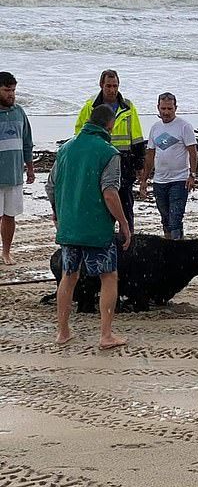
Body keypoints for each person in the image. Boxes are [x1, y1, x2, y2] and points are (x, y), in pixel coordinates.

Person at [46, 104, 131, 349]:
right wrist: (123, 223)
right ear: (110, 124)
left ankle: (63, 332)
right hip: (96, 227)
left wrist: (57, 212)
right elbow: (110, 193)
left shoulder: (65, 149)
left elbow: (51, 186)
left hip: (69, 224)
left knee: (69, 276)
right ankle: (106, 335)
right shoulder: (109, 152)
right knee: (108, 275)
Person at [75, 70, 145, 232]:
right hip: (98, 161)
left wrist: (139, 163)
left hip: (124, 162)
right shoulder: (90, 106)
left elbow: (137, 136)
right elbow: (79, 133)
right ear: (101, 85)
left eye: (115, 86)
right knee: (100, 205)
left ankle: (127, 239)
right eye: (108, 86)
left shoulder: (128, 106)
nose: (112, 90)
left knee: (126, 205)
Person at [140, 92, 197, 239]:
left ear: (175, 108)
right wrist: (144, 179)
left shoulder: (184, 126)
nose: (166, 112)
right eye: (163, 109)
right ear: (158, 108)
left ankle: (177, 248)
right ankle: (169, 247)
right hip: (160, 181)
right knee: (165, 220)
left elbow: (193, 153)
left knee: (175, 219)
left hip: (179, 180)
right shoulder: (155, 128)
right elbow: (150, 154)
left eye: (169, 109)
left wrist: (192, 175)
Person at [0, 72, 35, 265]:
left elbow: (27, 142)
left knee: (10, 215)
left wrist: (30, 168)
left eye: (13, 90)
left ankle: (6, 252)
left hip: (14, 175)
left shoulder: (19, 112)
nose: (11, 94)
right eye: (6, 90)